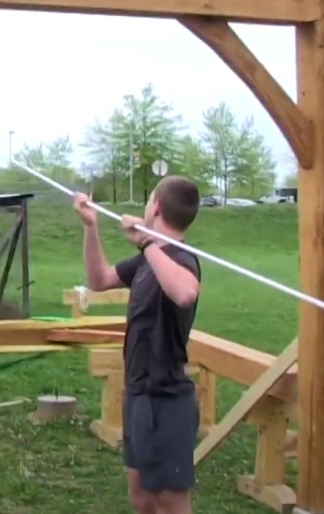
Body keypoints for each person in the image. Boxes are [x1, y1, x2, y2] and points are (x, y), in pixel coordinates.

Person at [72, 176, 202, 514]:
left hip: (167, 398)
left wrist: (146, 244)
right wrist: (90, 227)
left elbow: (186, 293)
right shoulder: (149, 258)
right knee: (141, 492)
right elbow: (99, 279)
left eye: (148, 199)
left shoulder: (181, 257)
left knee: (169, 501)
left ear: (156, 206)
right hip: (139, 393)